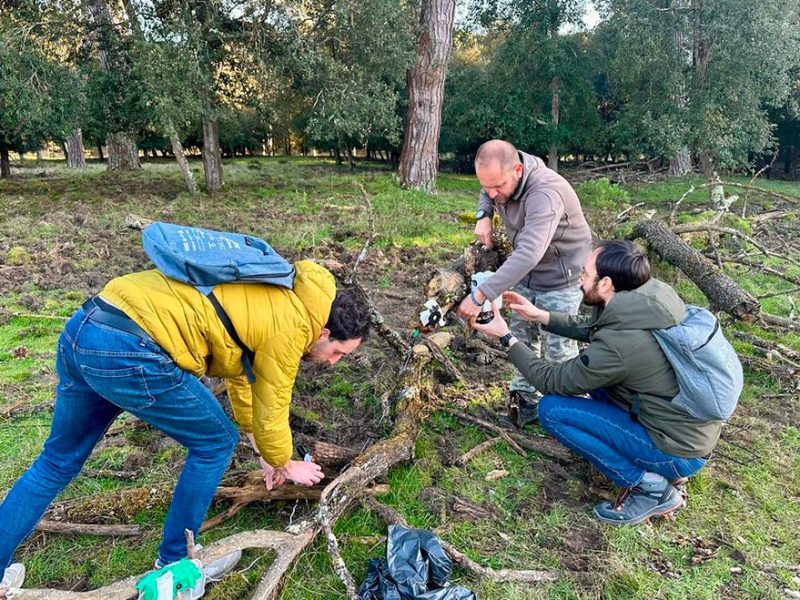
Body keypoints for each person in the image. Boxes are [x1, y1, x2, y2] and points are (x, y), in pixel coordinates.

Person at [0, 259, 370, 591]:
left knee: (56, 462)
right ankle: (174, 565)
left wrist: (263, 453)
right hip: (132, 348)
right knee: (215, 442)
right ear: (324, 333)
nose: (333, 362)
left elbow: (244, 376)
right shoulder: (295, 325)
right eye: (338, 352)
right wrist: (286, 462)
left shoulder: (276, 292)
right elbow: (274, 402)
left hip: (86, 326)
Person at [473, 241, 723, 525]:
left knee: (552, 410)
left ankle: (649, 487)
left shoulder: (620, 345)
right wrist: (541, 316)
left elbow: (551, 381)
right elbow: (598, 328)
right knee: (593, 382)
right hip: (685, 431)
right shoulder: (648, 301)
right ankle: (657, 466)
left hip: (675, 451)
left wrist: (506, 337)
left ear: (605, 283)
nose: (579, 279)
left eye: (585, 273)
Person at [457, 139, 592, 424]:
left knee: (559, 349)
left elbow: (530, 252)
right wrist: (483, 214)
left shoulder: (545, 194)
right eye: (486, 186)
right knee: (519, 337)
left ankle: (574, 416)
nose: (492, 193)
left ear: (517, 170)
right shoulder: (502, 177)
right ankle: (525, 403)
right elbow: (488, 188)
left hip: (561, 277)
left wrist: (480, 295)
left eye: (498, 187)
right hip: (526, 273)